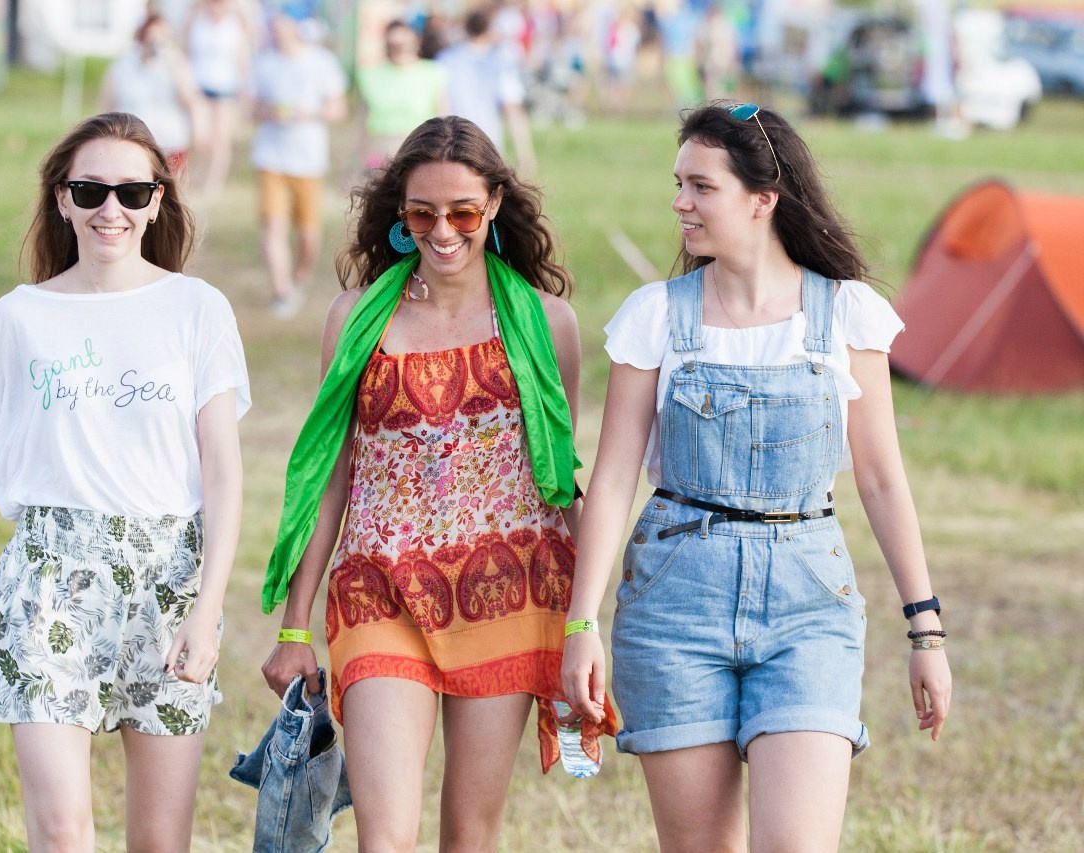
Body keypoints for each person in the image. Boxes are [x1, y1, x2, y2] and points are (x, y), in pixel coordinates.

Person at [561, 102, 952, 852]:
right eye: (678, 183)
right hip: (674, 605)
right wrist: (582, 624)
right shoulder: (653, 317)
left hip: (810, 606)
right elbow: (610, 482)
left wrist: (925, 629)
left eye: (700, 186)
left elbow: (881, 481)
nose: (680, 201)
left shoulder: (846, 312)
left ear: (762, 198)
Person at [260, 115, 615, 851]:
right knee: (384, 838)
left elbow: (559, 476)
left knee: (469, 834)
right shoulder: (358, 318)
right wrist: (295, 626)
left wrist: (587, 625)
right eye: (423, 213)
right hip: (380, 591)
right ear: (400, 214)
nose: (443, 230)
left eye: (462, 213)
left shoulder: (550, 324)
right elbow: (333, 477)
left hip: (506, 591)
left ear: (493, 206)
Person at [0, 111, 251, 852]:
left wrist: (207, 608)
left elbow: (222, 471)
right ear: (62, 199)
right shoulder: (20, 317)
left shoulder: (198, 309)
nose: (110, 210)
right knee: (62, 834)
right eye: (90, 190)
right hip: (47, 584)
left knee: (160, 840)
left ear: (159, 199)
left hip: (168, 585)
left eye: (131, 191)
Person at [249, 14, 348, 319]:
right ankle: (281, 291)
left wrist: (310, 112)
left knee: (308, 234)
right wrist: (268, 111)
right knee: (273, 226)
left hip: (308, 160)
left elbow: (338, 108)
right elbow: (252, 107)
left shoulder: (321, 62)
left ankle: (299, 280)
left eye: (282, 26)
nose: (277, 32)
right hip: (271, 157)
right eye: (273, 26)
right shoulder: (264, 63)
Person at [100, 14, 206, 178]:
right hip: (132, 141)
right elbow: (107, 102)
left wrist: (198, 130)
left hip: (169, 141)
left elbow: (190, 99)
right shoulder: (124, 65)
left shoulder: (175, 63)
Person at [436, 8, 537, 175]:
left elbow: (441, 104)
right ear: (489, 29)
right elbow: (513, 110)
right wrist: (525, 154)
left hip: (453, 141)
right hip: (489, 143)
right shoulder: (500, 62)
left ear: (466, 28)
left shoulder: (446, 59)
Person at [354, 20, 448, 171]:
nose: (400, 50)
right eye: (394, 45)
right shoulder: (370, 75)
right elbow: (362, 121)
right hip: (380, 149)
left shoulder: (433, 73)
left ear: (416, 43)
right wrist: (358, 155)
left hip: (420, 150)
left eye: (404, 44)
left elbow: (442, 115)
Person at [185, 0, 253, 198]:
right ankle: (197, 175)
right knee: (200, 137)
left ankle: (213, 185)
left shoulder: (234, 26)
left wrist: (244, 92)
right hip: (200, 86)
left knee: (221, 138)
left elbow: (242, 59)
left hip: (226, 88)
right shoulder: (197, 22)